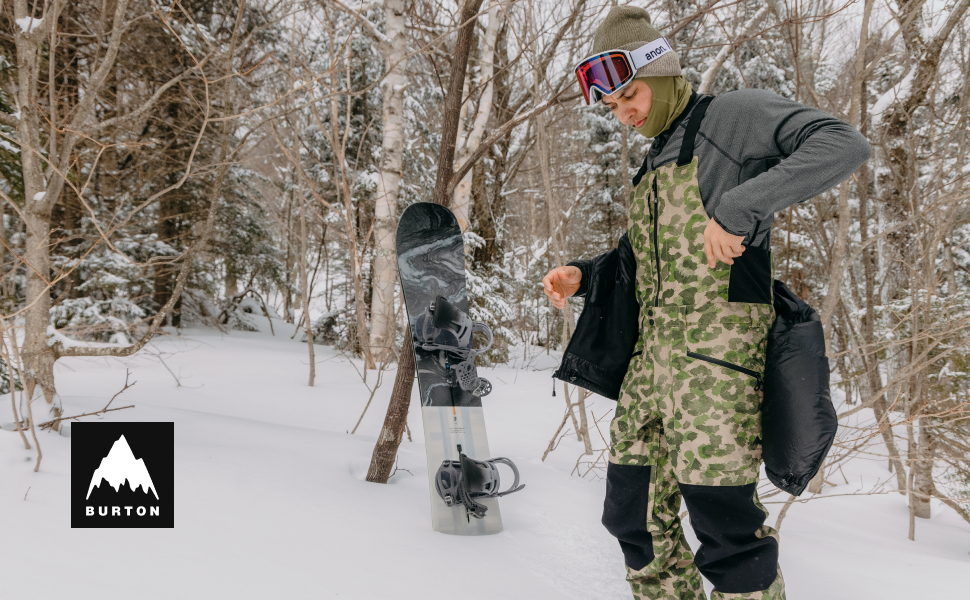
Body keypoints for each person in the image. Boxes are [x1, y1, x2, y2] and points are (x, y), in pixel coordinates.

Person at [543, 6, 871, 600]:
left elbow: (842, 143)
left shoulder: (731, 118)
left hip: (716, 368)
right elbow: (641, 261)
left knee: (727, 533)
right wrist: (583, 276)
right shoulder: (653, 162)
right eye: (612, 107)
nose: (624, 114)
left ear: (661, 71)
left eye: (630, 96)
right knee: (632, 517)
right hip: (650, 370)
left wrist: (741, 206)